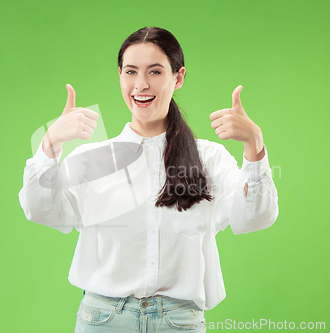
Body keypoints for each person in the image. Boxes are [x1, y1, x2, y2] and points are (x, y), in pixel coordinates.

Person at [18, 26, 278, 333]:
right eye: (131, 71)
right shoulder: (93, 158)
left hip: (179, 322)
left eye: (155, 72)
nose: (141, 84)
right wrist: (50, 143)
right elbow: (39, 209)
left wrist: (255, 147)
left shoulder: (209, 157)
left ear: (178, 77)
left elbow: (255, 217)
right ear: (120, 75)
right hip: (103, 320)